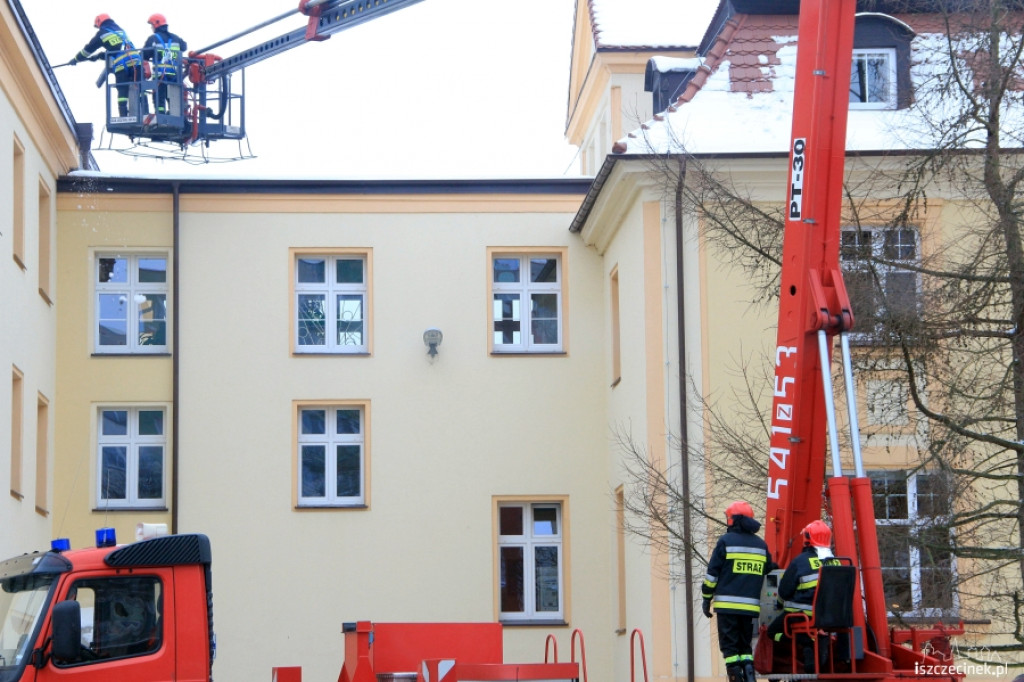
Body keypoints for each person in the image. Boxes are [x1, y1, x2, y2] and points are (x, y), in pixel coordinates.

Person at [702, 500, 773, 682]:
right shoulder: (761, 545)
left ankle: (736, 677)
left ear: (734, 520)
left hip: (727, 608)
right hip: (750, 609)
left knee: (731, 651)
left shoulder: (725, 541)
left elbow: (712, 575)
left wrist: (706, 598)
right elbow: (769, 568)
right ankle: (749, 677)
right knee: (745, 649)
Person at [766, 519, 842, 673]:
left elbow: (784, 592)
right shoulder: (836, 562)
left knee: (772, 632)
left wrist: (779, 605)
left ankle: (805, 642)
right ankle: (815, 643)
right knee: (813, 634)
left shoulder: (800, 562)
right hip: (829, 618)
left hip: (802, 616)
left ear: (807, 538)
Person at [68, 14, 142, 117]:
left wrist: (76, 59)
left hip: (122, 64)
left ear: (99, 23)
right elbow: (116, 48)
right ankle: (143, 113)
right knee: (138, 88)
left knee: (122, 90)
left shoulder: (101, 34)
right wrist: (99, 56)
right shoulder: (120, 30)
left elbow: (87, 50)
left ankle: (124, 116)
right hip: (136, 61)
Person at [143, 13, 188, 116]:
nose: (151, 27)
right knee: (172, 97)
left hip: (160, 76)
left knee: (159, 97)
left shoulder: (153, 39)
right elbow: (184, 47)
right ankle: (174, 114)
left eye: (152, 25)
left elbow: (144, 55)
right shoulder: (175, 38)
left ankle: (160, 116)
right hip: (175, 75)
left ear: (156, 24)